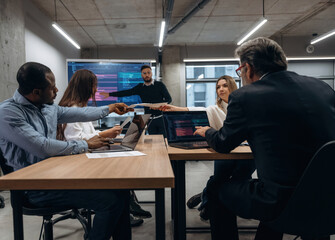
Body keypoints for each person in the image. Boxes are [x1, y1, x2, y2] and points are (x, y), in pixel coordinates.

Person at [193, 37, 335, 240]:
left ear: (247, 69)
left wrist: (207, 131)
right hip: (328, 199)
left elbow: (223, 143)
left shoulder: (245, 96)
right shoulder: (322, 88)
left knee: (217, 190)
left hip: (279, 202)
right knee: (291, 185)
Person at [0, 62, 134, 240]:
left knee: (121, 190)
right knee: (110, 202)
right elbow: (42, 147)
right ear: (36, 91)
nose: (57, 90)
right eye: (52, 88)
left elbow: (79, 113)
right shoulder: (8, 113)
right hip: (34, 188)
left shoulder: (46, 107)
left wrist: (109, 108)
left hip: (55, 176)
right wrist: (86, 144)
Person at [157, 76, 255, 220]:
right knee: (219, 180)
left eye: (225, 86)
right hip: (224, 150)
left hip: (245, 152)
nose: (221, 89)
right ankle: (207, 204)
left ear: (232, 87)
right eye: (218, 87)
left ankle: (203, 196)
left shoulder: (243, 105)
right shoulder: (214, 109)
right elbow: (198, 110)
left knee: (239, 180)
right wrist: (175, 108)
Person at [56, 69, 144, 227]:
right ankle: (126, 207)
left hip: (87, 155)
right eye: (94, 86)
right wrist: (104, 135)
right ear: (85, 87)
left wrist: (106, 133)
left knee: (123, 166)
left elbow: (88, 134)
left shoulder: (80, 107)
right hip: (79, 161)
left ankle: (128, 206)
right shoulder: (71, 109)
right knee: (119, 172)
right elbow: (75, 140)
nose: (96, 90)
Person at [100, 65, 172, 136]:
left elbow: (169, 99)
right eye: (144, 73)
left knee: (164, 141)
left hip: (161, 118)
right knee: (153, 141)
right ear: (141, 75)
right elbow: (127, 92)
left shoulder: (159, 85)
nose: (147, 75)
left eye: (148, 72)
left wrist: (158, 106)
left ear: (151, 73)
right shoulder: (140, 87)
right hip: (149, 119)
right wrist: (109, 94)